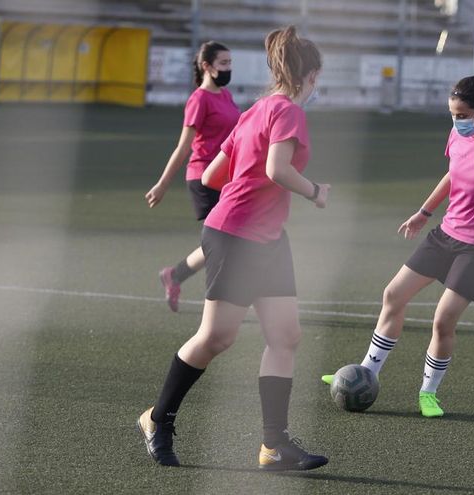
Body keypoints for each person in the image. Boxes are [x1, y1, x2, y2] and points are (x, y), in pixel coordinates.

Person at [138, 26, 331, 470]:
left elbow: (212, 177)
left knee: (285, 336)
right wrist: (315, 190)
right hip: (236, 236)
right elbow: (278, 169)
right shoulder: (287, 112)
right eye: (318, 78)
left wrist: (250, 184)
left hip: (265, 238)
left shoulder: (255, 110)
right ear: (312, 76)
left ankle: (273, 445)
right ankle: (157, 419)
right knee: (216, 337)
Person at [323, 76, 474, 418]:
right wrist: (424, 212)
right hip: (445, 235)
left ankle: (428, 393)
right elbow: (453, 174)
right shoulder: (457, 134)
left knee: (443, 320)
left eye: (462, 114)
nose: (456, 121)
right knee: (393, 295)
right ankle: (366, 373)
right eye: (452, 114)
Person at [145, 41, 240, 312]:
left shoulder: (226, 95)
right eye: (223, 64)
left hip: (227, 178)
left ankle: (175, 276)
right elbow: (184, 146)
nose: (228, 69)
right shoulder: (199, 99)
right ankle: (219, 307)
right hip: (204, 179)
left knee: (225, 242)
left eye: (230, 63)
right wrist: (162, 184)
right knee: (225, 243)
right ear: (206, 66)